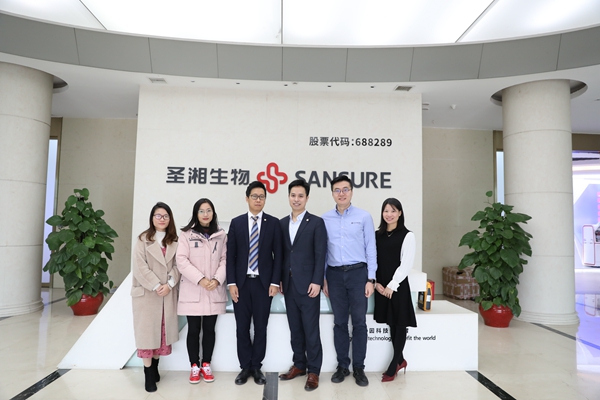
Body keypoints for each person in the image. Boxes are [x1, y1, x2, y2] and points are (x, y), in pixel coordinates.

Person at [322, 175, 377, 387]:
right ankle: (342, 366)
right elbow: (323, 251)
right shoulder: (325, 219)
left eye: (345, 189)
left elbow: (371, 248)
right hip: (334, 275)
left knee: (360, 322)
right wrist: (324, 278)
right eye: (337, 190)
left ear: (352, 192)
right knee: (339, 322)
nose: (342, 193)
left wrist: (371, 278)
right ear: (332, 193)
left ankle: (359, 368)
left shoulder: (364, 217)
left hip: (358, 274)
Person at [226, 181, 283, 385]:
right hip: (241, 284)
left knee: (260, 327)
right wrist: (232, 283)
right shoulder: (237, 223)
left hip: (263, 285)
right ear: (247, 198)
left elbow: (278, 255)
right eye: (254, 196)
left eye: (262, 197)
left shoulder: (273, 223)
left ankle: (257, 366)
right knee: (242, 327)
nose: (258, 200)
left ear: (265, 199)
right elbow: (230, 256)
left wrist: (274, 282)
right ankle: (245, 367)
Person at [278, 179, 327, 391]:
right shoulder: (281, 223)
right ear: (288, 197)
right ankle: (299, 364)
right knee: (295, 328)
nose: (296, 199)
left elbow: (320, 254)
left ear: (307, 198)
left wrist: (317, 281)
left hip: (309, 286)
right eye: (293, 195)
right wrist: (280, 278)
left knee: (311, 329)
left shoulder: (316, 223)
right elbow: (280, 255)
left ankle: (313, 371)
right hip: (289, 285)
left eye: (300, 196)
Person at [176, 198, 227, 384]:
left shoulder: (221, 235)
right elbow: (181, 260)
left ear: (213, 213)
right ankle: (194, 366)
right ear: (195, 214)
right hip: (194, 290)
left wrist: (217, 279)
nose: (205, 214)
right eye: (201, 211)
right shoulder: (186, 235)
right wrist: (201, 279)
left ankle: (206, 364)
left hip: (214, 289)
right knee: (194, 330)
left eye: (209, 210)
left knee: (209, 330)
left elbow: (225, 259)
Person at [131, 202, 180, 393]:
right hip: (147, 294)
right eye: (158, 215)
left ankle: (155, 369)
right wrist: (156, 285)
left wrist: (169, 284)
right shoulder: (143, 240)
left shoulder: (175, 240)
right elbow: (139, 267)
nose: (162, 219)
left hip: (167, 293)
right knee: (146, 335)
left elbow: (179, 265)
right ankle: (148, 374)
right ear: (152, 218)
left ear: (170, 219)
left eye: (165, 216)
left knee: (161, 333)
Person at [374, 198, 417, 382]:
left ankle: (394, 364)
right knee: (391, 322)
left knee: (399, 323)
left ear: (400, 213)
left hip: (397, 286)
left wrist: (393, 285)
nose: (389, 214)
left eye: (393, 211)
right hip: (381, 285)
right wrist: (375, 283)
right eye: (386, 211)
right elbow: (372, 259)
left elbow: (406, 263)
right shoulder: (377, 235)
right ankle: (400, 360)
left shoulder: (407, 236)